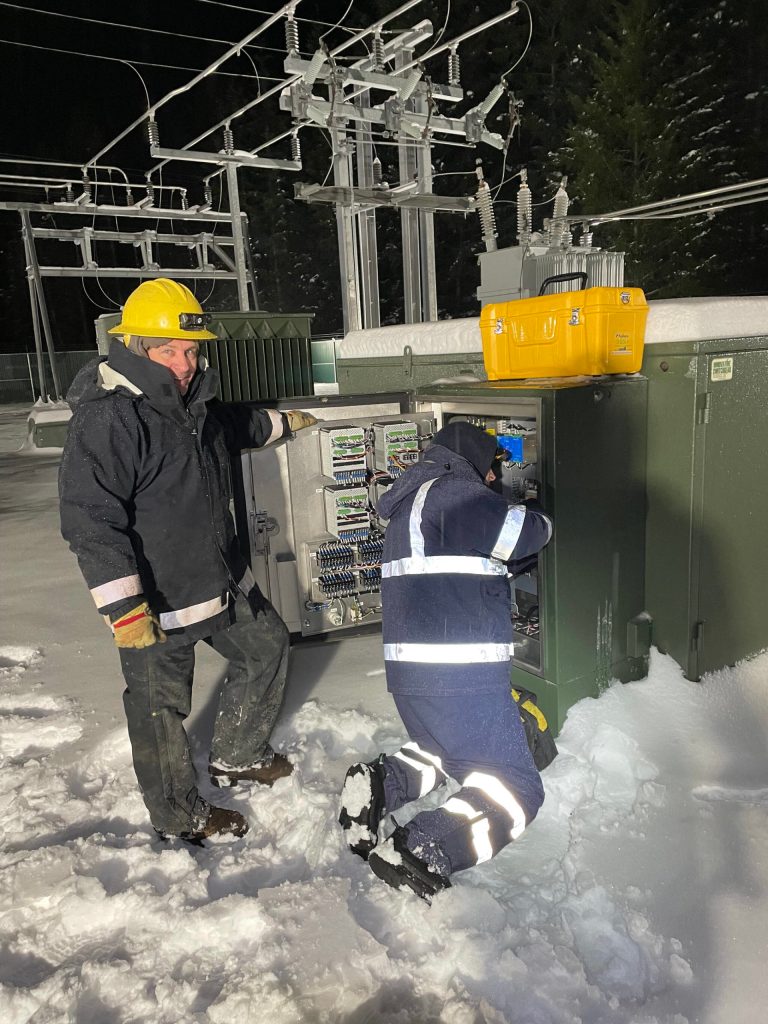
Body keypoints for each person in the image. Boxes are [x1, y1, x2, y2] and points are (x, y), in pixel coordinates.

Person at [59, 278, 317, 846]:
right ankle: (179, 814)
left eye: (192, 349)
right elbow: (89, 518)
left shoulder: (193, 404)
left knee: (267, 644)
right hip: (156, 600)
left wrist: (283, 422)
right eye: (168, 350)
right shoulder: (110, 420)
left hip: (218, 579)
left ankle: (238, 753)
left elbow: (233, 427)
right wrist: (125, 609)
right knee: (159, 710)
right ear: (134, 347)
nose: (184, 362)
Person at [339, 421, 553, 901]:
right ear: (470, 462)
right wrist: (544, 514)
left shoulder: (412, 504)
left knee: (445, 753)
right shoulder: (453, 492)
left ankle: (379, 786)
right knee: (517, 789)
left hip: (414, 675)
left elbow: (471, 558)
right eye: (492, 470)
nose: (494, 480)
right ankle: (420, 848)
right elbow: (523, 534)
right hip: (461, 677)